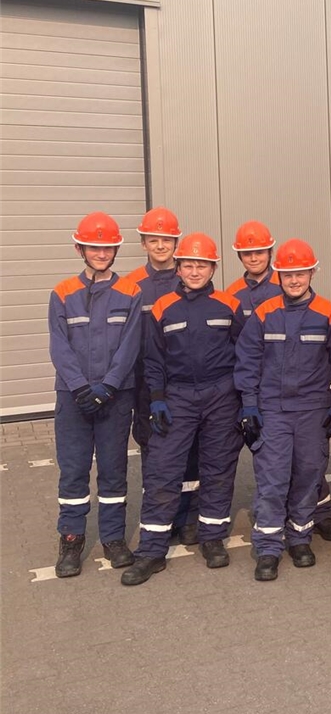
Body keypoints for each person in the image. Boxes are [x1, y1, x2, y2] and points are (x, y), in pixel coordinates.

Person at [122, 233, 246, 585]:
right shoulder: (162, 307)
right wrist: (157, 397)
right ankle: (151, 551)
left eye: (202, 265)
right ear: (178, 267)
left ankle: (212, 539)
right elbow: (153, 359)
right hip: (176, 397)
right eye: (188, 264)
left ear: (213, 268)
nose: (194, 271)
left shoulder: (229, 305)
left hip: (221, 395)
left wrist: (243, 400)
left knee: (218, 467)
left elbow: (246, 354)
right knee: (163, 469)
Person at [234, 239, 331, 581]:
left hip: (312, 410)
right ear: (277, 275)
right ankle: (268, 548)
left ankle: (299, 537)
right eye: (287, 274)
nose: (294, 280)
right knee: (273, 479)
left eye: (300, 273)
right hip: (274, 411)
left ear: (312, 272)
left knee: (309, 475)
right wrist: (249, 405)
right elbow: (248, 360)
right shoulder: (265, 313)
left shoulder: (328, 313)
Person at [48, 212, 143, 577]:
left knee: (114, 472)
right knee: (73, 472)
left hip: (115, 397)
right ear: (80, 248)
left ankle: (113, 538)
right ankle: (71, 539)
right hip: (74, 398)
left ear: (116, 249)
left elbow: (130, 345)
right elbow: (59, 346)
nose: (101, 253)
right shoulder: (62, 293)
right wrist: (81, 387)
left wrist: (109, 386)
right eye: (94, 247)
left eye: (108, 247)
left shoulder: (130, 292)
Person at [125, 207, 200, 545]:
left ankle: (187, 518)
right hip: (146, 384)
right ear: (143, 243)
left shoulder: (189, 278)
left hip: (186, 382)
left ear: (176, 242)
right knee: (153, 448)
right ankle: (160, 518)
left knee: (190, 452)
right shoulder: (130, 286)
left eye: (166, 240)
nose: (160, 246)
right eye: (153, 240)